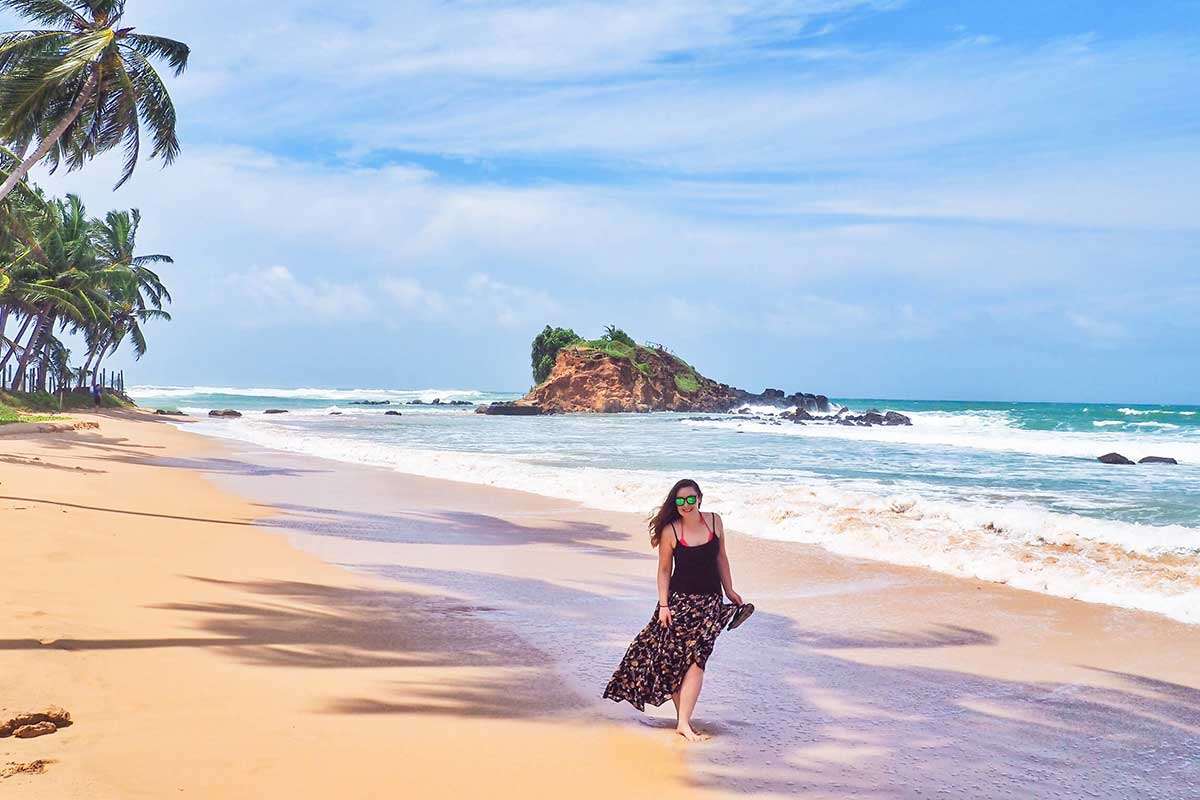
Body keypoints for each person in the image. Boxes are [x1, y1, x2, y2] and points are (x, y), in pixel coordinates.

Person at [602, 478, 754, 741]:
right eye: (680, 500)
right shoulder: (671, 531)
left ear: (699, 499)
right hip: (678, 604)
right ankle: (683, 721)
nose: (686, 504)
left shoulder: (715, 521)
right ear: (676, 502)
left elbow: (721, 557)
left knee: (697, 659)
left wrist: (729, 590)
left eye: (691, 498)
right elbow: (664, 570)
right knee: (673, 661)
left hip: (709, 602)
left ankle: (684, 722)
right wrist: (663, 605)